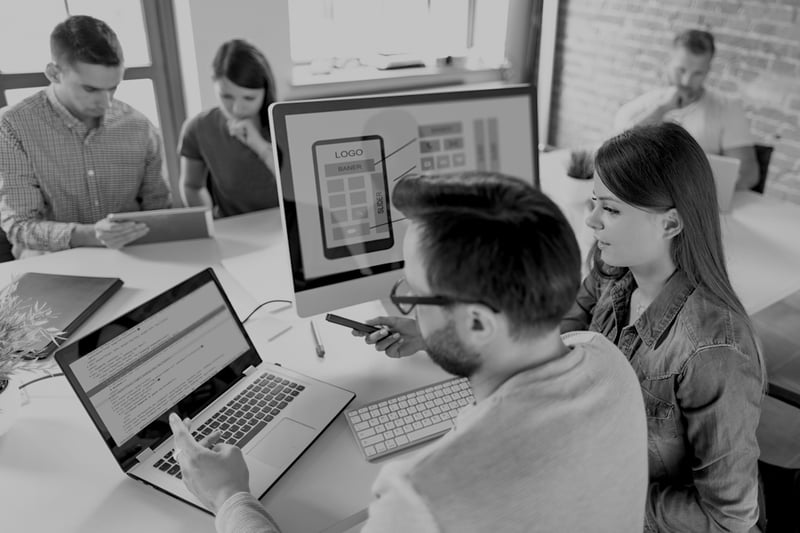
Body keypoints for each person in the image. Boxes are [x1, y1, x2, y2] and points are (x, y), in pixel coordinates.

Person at [169, 172, 649, 532]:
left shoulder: (422, 497)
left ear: (479, 322)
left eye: (414, 296)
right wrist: (438, 332)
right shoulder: (608, 362)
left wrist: (229, 495)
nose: (410, 309)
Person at [560, 123, 764, 532]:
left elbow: (729, 519)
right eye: (595, 203)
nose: (593, 222)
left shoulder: (713, 350)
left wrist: (601, 494)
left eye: (612, 209)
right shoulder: (613, 271)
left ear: (671, 224)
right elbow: (564, 330)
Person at [0, 15, 171, 258]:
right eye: (90, 89)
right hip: (52, 265)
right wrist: (91, 235)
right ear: (54, 73)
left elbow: (159, 209)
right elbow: (20, 226)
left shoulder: (139, 126)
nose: (106, 102)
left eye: (113, 87)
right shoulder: (12, 126)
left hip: (133, 258)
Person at [613, 29, 759, 190]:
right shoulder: (645, 104)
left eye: (698, 73)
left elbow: (748, 173)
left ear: (708, 71)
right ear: (668, 63)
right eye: (681, 70)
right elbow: (619, 150)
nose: (686, 81)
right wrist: (663, 109)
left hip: (699, 199)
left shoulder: (727, 107)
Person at [178, 39, 280, 218]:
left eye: (249, 98)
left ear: (265, 90)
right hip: (234, 229)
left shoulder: (284, 121)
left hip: (286, 225)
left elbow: (300, 189)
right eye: (226, 96)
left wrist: (260, 146)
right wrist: (211, 222)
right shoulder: (198, 128)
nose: (237, 109)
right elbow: (191, 185)